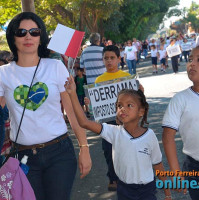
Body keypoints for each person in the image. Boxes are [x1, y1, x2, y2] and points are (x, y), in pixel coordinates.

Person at [0, 12, 92, 200]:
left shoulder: (56, 67)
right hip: (23, 157)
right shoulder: (3, 74)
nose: (28, 36)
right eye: (21, 32)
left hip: (59, 153)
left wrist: (84, 148)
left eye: (34, 31)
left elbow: (72, 113)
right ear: (12, 37)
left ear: (41, 37)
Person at [65, 77, 172, 200]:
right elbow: (84, 122)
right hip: (124, 190)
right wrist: (72, 93)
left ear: (141, 111)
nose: (122, 109)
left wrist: (167, 194)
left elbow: (158, 166)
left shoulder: (150, 135)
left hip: (147, 190)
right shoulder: (114, 132)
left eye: (129, 105)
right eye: (119, 105)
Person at [162, 45, 199, 200]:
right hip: (195, 168)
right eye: (190, 59)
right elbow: (167, 137)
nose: (192, 63)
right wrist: (176, 173)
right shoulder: (180, 99)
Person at [95, 45, 131, 191]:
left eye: (112, 58)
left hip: (126, 121)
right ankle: (113, 178)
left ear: (118, 59)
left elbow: (136, 101)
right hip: (108, 122)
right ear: (102, 60)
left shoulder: (126, 78)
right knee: (108, 150)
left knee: (127, 148)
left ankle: (128, 176)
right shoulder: (99, 80)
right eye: (106, 58)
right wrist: (89, 102)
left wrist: (140, 92)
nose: (109, 61)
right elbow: (96, 103)